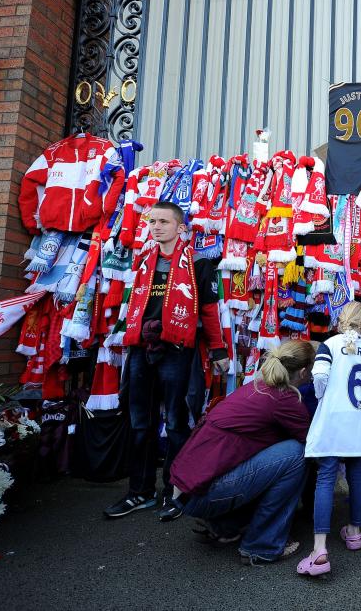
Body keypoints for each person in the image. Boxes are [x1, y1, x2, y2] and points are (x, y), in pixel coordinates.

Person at [103, 201, 230, 521]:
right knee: (140, 424)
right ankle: (139, 492)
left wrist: (219, 350)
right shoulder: (144, 260)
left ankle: (175, 491)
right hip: (141, 352)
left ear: (180, 227)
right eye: (152, 221)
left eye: (163, 222)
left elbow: (210, 311)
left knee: (176, 425)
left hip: (177, 352)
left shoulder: (200, 263)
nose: (156, 227)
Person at [170, 340, 316, 564]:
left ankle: (224, 526)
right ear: (305, 371)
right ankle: (262, 545)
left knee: (278, 457)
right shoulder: (285, 399)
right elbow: (311, 443)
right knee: (296, 455)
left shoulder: (258, 386)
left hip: (186, 489)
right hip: (201, 492)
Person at [296, 302, 361, 577]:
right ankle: (355, 532)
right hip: (357, 422)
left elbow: (320, 375)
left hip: (332, 420)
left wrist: (323, 395)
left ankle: (320, 549)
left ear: (340, 321)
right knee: (356, 474)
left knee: (326, 476)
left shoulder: (329, 345)